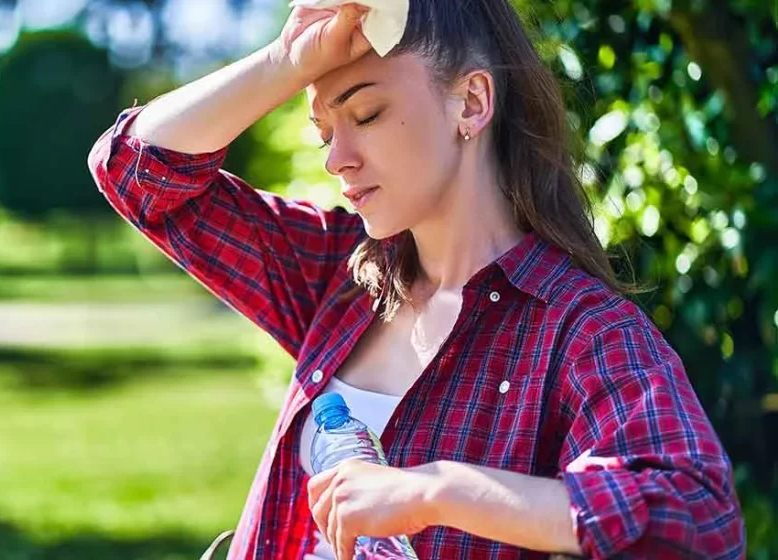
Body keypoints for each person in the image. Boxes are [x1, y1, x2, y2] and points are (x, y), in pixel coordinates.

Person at [88, 0, 745, 558]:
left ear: (472, 101)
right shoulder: (338, 276)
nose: (338, 159)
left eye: (367, 114)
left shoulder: (579, 331)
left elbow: (700, 518)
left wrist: (437, 490)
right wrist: (286, 62)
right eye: (323, 130)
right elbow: (136, 173)